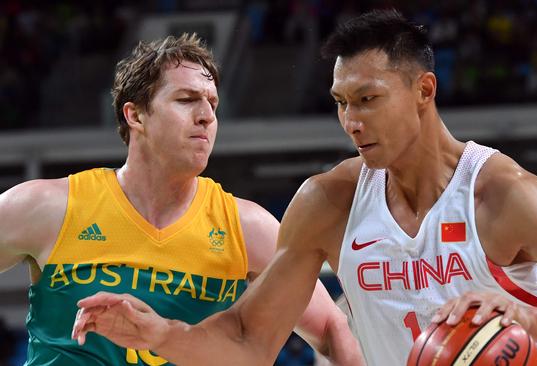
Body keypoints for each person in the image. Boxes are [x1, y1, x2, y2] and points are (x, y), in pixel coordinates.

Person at [71, 10, 537, 366]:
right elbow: (250, 339)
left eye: (368, 99)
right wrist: (161, 333)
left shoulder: (505, 196)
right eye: (342, 103)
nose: (351, 121)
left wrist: (528, 320)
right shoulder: (328, 203)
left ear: (424, 90)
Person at [0, 33, 363, 365]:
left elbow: (333, 327)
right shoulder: (48, 207)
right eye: (187, 100)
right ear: (135, 114)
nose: (206, 116)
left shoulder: (246, 226)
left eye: (212, 104)